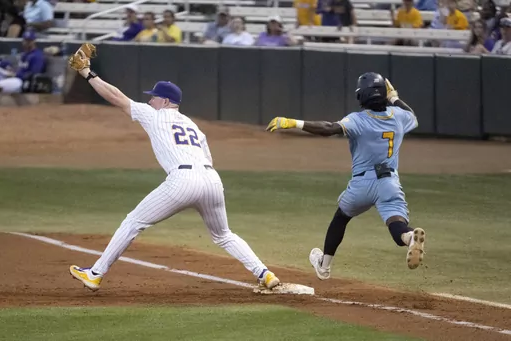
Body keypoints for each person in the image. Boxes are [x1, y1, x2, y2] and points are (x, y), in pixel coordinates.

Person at [66, 43, 280, 292]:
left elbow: (116, 97)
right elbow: (208, 158)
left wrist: (87, 74)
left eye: (153, 96)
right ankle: (264, 274)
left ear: (165, 101)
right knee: (223, 235)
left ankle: (95, 273)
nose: (149, 99)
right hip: (211, 180)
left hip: (182, 180)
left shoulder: (154, 115)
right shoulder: (193, 125)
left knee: (133, 221)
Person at [266, 72, 426, 280]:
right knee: (397, 225)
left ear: (362, 96)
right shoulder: (398, 116)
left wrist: (293, 123)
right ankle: (409, 238)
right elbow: (412, 115)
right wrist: (394, 97)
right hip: (389, 182)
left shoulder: (358, 120)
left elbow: (328, 128)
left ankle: (324, 266)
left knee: (341, 218)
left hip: (362, 183)